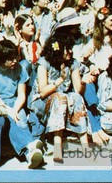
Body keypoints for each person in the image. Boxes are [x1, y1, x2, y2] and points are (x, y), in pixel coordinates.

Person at [28, 34, 94, 162]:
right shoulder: (44, 62)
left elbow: (78, 91)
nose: (70, 51)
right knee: (60, 98)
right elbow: (43, 92)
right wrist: (61, 79)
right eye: (67, 49)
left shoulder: (72, 63)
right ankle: (57, 147)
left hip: (62, 98)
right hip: (41, 101)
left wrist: (83, 82)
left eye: (71, 48)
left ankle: (85, 146)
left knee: (76, 97)